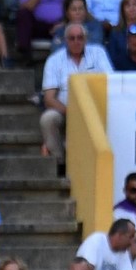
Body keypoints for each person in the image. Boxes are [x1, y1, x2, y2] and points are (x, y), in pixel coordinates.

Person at [38, 23, 112, 166]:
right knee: (48, 118)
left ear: (86, 39)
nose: (76, 42)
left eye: (80, 38)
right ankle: (60, 162)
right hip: (65, 110)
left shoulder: (98, 53)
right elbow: (49, 99)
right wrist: (72, 113)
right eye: (72, 38)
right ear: (66, 40)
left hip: (96, 108)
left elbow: (110, 83)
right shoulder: (54, 60)